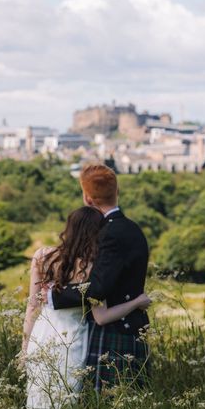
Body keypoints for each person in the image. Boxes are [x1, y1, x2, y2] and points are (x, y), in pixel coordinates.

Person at [22, 206, 151, 409]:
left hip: (41, 337)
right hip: (73, 339)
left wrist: (25, 345)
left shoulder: (42, 256)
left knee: (39, 400)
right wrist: (137, 302)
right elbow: (101, 317)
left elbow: (32, 306)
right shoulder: (89, 267)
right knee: (66, 403)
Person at [49, 163, 151, 391]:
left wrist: (53, 295)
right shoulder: (133, 229)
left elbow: (97, 289)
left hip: (114, 330)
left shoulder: (109, 233)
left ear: (87, 198)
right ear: (117, 191)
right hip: (128, 327)